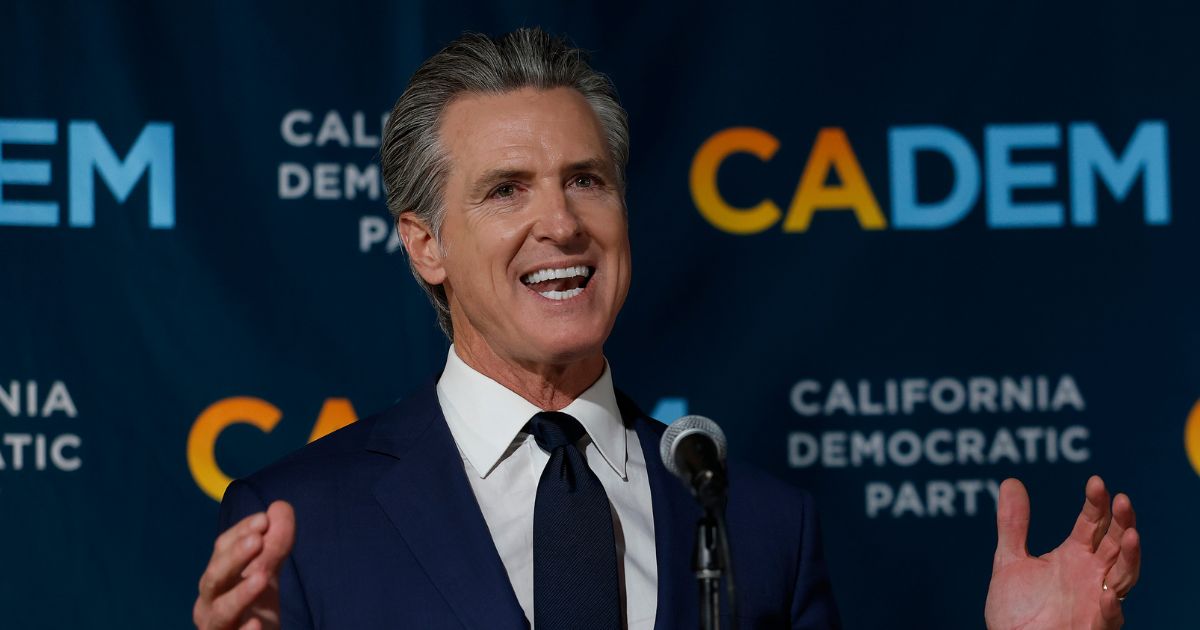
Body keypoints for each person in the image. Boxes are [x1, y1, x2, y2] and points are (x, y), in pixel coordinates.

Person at [192, 28, 1141, 630]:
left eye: (586, 180)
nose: (561, 222)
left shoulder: (763, 528)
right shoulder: (300, 524)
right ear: (424, 244)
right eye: (507, 189)